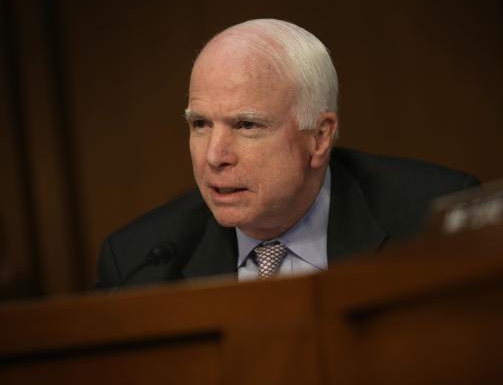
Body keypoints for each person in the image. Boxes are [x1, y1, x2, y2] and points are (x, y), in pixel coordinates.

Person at [96, 19, 479, 288]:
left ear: (319, 137)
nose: (214, 156)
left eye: (246, 125)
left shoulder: (434, 219)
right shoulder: (138, 262)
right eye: (200, 125)